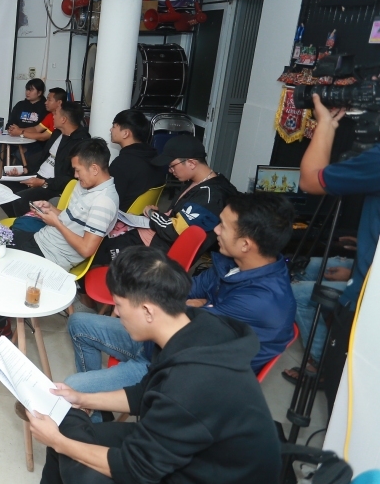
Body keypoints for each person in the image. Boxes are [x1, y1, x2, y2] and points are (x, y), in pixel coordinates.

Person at [30, 246, 282, 484]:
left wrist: (58, 442)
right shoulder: (191, 325)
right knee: (65, 432)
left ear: (148, 311)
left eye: (119, 305)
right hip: (188, 445)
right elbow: (145, 392)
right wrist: (82, 398)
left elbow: (135, 468)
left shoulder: (191, 384)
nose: (117, 313)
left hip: (212, 473)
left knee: (75, 463)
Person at [65, 193, 297, 405]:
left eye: (223, 226)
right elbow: (186, 290)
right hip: (164, 343)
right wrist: (197, 305)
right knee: (78, 323)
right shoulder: (235, 264)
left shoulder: (263, 302)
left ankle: (92, 404)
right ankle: (96, 409)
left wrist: (193, 306)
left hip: (180, 371)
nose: (216, 230)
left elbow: (184, 327)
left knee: (71, 389)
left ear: (246, 244)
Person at [0, 139, 118, 345]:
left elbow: (87, 249)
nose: (76, 176)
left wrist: (56, 223)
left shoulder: (104, 202)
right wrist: (51, 210)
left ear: (94, 168)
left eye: (78, 170)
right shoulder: (87, 186)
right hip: (42, 239)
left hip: (52, 256)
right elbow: (71, 219)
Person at [284, 93, 380, 383]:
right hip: (366, 264)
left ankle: (320, 365)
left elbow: (311, 179)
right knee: (309, 267)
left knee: (300, 294)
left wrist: (324, 124)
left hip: (368, 289)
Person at [94, 134, 236, 267]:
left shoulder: (212, 197)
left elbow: (173, 231)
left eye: (172, 165)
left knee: (96, 253)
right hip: (153, 237)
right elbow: (177, 218)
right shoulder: (196, 181)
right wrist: (158, 216)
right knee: (100, 239)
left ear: (191, 163)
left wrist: (153, 214)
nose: (170, 170)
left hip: (156, 250)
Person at [1, 101, 90, 218]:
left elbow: (71, 178)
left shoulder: (81, 142)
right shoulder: (57, 133)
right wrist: (25, 171)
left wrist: (43, 182)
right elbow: (43, 157)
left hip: (52, 185)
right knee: (2, 188)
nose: (53, 116)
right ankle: (17, 220)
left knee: (20, 199)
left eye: (56, 113)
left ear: (63, 119)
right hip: (37, 176)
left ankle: (22, 224)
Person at [107, 109, 166, 210]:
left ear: (125, 133)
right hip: (142, 215)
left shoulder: (122, 164)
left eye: (114, 126)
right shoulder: (156, 158)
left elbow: (109, 201)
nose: (110, 130)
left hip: (121, 215)